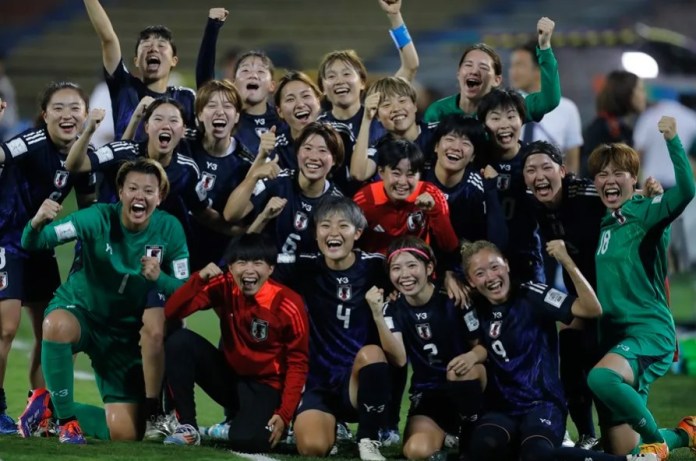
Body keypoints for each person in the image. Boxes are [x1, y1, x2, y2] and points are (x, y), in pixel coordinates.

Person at [17, 158, 190, 444]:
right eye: (132, 188)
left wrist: (159, 278)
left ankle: (48, 407)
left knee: (126, 433)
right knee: (56, 325)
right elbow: (35, 242)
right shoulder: (97, 218)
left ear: (160, 197)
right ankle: (67, 423)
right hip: (80, 312)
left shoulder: (170, 230)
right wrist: (35, 224)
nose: (140, 196)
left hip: (121, 334)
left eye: (149, 191)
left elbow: (183, 291)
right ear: (120, 192)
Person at [586, 116, 696, 460]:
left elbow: (688, 191)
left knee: (601, 380)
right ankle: (684, 434)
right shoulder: (606, 223)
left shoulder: (645, 210)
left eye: (619, 172)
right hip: (617, 339)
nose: (609, 180)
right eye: (602, 174)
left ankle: (655, 442)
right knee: (623, 450)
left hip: (648, 333)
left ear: (634, 178)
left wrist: (673, 140)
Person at [0, 83, 95, 435]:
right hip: (6, 241)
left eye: (75, 108)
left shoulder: (86, 156)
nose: (67, 115)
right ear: (45, 114)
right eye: (58, 108)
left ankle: (36, 406)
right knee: (6, 328)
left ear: (86, 115)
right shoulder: (31, 142)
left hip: (41, 246)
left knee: (51, 331)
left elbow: (89, 208)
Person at [162, 233, 309, 450]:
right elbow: (172, 311)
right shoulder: (224, 285)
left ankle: (283, 425)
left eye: (257, 263)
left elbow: (298, 364)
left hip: (267, 386)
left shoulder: (288, 304)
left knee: (246, 441)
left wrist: (284, 414)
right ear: (230, 267)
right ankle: (188, 428)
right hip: (231, 378)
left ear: (270, 269)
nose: (249, 270)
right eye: (241, 262)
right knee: (179, 342)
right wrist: (198, 279)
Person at [460, 239, 603, 461]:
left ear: (506, 265)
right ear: (470, 280)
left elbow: (592, 309)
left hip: (543, 404)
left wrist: (566, 261)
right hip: (501, 409)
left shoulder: (533, 294)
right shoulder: (474, 308)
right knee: (482, 449)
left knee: (535, 456)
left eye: (494, 267)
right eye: (480, 273)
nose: (490, 277)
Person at [272, 196, 391, 461]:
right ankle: (331, 426)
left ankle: (369, 439)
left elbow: (414, 270)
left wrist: (451, 275)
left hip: (356, 383)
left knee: (373, 353)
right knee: (312, 449)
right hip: (317, 383)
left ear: (358, 233)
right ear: (315, 234)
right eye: (325, 226)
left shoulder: (376, 267)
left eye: (343, 226)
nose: (333, 233)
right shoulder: (304, 266)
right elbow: (259, 262)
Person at [367, 237, 486, 461]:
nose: (405, 275)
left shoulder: (453, 297)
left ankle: (468, 431)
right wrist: (377, 314)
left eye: (412, 265)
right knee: (415, 451)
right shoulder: (392, 308)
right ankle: (449, 437)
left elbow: (481, 348)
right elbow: (400, 359)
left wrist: (470, 357)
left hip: (467, 384)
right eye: (396, 268)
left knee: (460, 373)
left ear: (429, 267)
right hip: (429, 393)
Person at [521, 140, 605, 449]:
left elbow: (623, 197)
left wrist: (648, 194)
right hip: (579, 294)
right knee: (570, 358)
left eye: (546, 167)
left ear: (562, 170)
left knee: (600, 367)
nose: (539, 175)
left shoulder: (583, 192)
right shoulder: (531, 199)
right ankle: (587, 434)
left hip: (610, 295)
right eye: (531, 170)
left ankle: (617, 429)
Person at [224, 121, 343, 263]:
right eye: (308, 148)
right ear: (297, 153)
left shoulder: (338, 203)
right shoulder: (277, 182)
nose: (313, 156)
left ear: (334, 159)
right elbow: (231, 214)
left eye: (322, 151)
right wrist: (254, 176)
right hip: (267, 276)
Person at [83, 0, 196, 141]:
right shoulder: (124, 88)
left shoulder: (186, 97)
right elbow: (108, 39)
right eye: (146, 45)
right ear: (136, 61)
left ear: (174, 60)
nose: (153, 49)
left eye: (161, 45)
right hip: (127, 163)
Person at [423, 17, 560, 124]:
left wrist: (544, 47)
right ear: (458, 73)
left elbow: (549, 101)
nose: (474, 71)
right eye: (468, 65)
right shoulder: (438, 112)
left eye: (483, 67)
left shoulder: (509, 108)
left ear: (497, 80)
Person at [476, 88, 545, 283]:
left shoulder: (535, 160)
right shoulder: (476, 159)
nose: (504, 125)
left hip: (526, 258)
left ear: (522, 120)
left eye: (511, 116)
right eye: (495, 118)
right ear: (483, 123)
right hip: (483, 262)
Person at [194, 7, 282, 156]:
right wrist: (212, 28)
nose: (253, 75)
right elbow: (205, 84)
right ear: (234, 83)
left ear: (272, 85)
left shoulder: (282, 118)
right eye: (245, 70)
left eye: (261, 71)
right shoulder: (225, 116)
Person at [352, 136, 458, 256]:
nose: (403, 182)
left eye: (411, 174)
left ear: (420, 175)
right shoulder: (364, 199)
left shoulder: (431, 194)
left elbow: (449, 246)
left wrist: (435, 211)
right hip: (375, 268)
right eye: (396, 173)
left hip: (417, 266)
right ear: (381, 172)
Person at [189, 79, 255, 267]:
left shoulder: (246, 163)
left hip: (221, 257)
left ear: (236, 116)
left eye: (227, 106)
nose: (220, 111)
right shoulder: (183, 146)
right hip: (179, 246)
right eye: (211, 105)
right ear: (200, 114)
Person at [424, 114, 507, 247]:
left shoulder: (476, 189)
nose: (456, 147)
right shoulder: (419, 175)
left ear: (473, 156)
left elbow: (496, 243)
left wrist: (491, 191)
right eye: (450, 139)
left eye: (466, 143)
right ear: (436, 146)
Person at [509, 40, 583, 174]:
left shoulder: (567, 108)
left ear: (538, 70)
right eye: (512, 66)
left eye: (520, 65)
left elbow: (572, 161)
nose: (513, 72)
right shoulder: (506, 104)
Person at [350, 76, 439, 182]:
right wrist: (366, 119)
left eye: (402, 101)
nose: (396, 109)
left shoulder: (439, 132)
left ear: (415, 106)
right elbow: (358, 174)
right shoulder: (381, 148)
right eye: (386, 105)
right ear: (377, 116)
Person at [580, 70, 646, 177]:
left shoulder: (623, 129)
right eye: (640, 90)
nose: (644, 96)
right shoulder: (602, 130)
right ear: (625, 92)